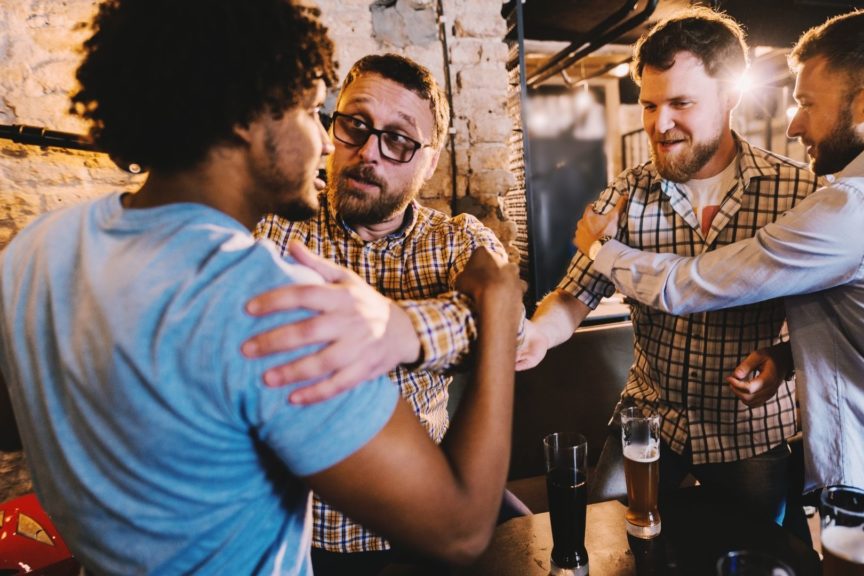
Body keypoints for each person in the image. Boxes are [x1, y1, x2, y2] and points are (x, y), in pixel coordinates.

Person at [0, 1, 520, 573]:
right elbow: (462, 528)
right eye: (310, 110)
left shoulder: (32, 250)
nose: (327, 144)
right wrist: (496, 300)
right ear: (249, 115)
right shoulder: (270, 303)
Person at [578, 6, 864, 574]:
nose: (792, 123)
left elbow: (695, 282)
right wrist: (786, 356)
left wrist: (600, 250)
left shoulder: (854, 207)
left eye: (807, 102)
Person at [518, 6, 820, 526]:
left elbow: (831, 316)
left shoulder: (799, 191)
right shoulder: (624, 194)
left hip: (753, 430)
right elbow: (574, 295)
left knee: (765, 554)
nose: (660, 124)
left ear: (730, 97)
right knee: (609, 537)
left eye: (681, 103)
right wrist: (538, 335)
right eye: (649, 104)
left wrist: (786, 357)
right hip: (649, 422)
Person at [249, 53, 525, 572]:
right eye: (355, 125)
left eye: (398, 140)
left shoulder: (459, 242)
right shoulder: (277, 227)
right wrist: (462, 320)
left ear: (431, 156)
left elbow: (516, 329)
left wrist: (400, 329)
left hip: (429, 510)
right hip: (305, 530)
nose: (368, 152)